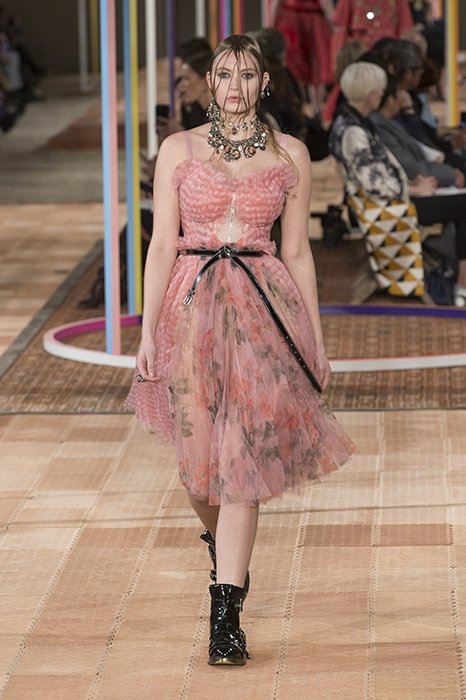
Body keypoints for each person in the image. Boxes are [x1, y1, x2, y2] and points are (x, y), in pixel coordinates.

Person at [125, 34, 354, 666]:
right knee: (198, 464)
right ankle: (221, 543)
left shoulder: (291, 154)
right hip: (190, 308)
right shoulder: (178, 149)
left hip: (263, 308)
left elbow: (298, 251)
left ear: (264, 82)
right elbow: (161, 245)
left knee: (242, 458)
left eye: (247, 75)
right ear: (211, 81)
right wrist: (146, 330)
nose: (234, 86)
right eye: (224, 74)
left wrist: (316, 337)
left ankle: (225, 615)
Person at [328, 61, 466, 304]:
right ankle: (462, 283)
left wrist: (411, 182)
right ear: (370, 93)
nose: (383, 93)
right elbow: (372, 182)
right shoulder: (353, 131)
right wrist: (413, 188)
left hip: (392, 198)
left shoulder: (352, 122)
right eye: (380, 89)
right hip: (389, 206)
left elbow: (377, 172)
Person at [274, 0, 334, 115]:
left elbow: (276, 4)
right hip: (304, 18)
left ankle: (302, 105)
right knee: (315, 60)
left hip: (296, 18)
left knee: (301, 62)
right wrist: (333, 22)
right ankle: (315, 107)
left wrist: (272, 23)